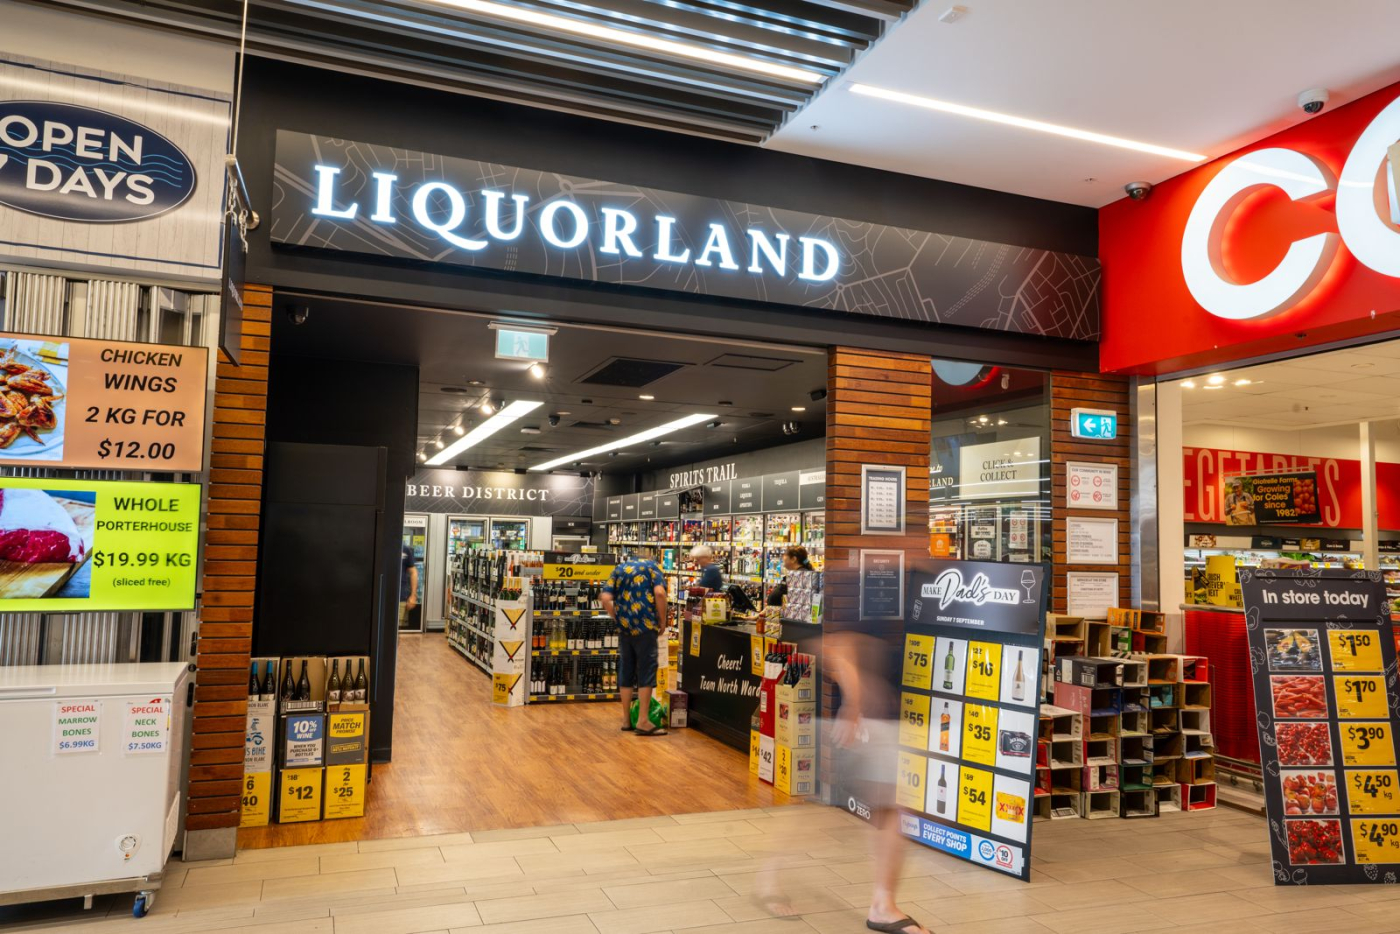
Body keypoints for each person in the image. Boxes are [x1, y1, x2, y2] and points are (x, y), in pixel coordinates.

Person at [601, 554, 669, 736]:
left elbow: (605, 597)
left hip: (625, 628)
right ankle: (643, 721)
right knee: (646, 670)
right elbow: (660, 593)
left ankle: (626, 720)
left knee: (627, 670)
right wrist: (663, 620)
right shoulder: (653, 568)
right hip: (646, 627)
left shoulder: (619, 569)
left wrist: (616, 617)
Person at [399, 541, 419, 630]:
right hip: (379, 597)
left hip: (401, 597)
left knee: (397, 629)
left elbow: (413, 572)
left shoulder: (404, 549)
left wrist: (413, 595)